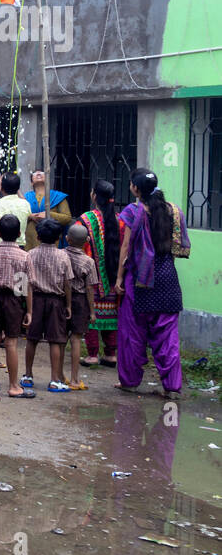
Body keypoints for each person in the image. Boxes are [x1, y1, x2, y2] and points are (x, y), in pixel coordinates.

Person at [114, 168, 189, 400]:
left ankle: (130, 383)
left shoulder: (133, 211)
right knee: (168, 338)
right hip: (167, 279)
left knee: (132, 335)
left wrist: (118, 278)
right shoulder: (173, 210)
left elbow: (126, 248)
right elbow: (175, 248)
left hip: (139, 280)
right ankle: (172, 387)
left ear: (136, 189)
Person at [24, 217, 74, 393]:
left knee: (32, 338)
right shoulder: (63, 256)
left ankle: (28, 375)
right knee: (55, 340)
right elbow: (67, 284)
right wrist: (68, 305)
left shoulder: (29, 254)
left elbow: (24, 282)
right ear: (58, 237)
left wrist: (24, 305)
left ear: (37, 237)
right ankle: (54, 380)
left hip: (35, 300)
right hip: (56, 301)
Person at [78, 179, 121, 368]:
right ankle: (111, 354)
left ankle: (93, 355)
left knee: (92, 314)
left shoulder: (86, 219)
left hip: (92, 278)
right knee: (111, 316)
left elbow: (81, 246)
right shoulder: (119, 220)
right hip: (114, 278)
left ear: (94, 195)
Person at [0, 215, 34, 398]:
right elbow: (25, 286)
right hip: (15, 299)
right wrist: (29, 310)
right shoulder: (24, 256)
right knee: (11, 342)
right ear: (19, 233)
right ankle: (14, 385)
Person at [63, 223, 100, 390]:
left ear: (67, 239)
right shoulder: (88, 261)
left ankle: (57, 376)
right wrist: (92, 311)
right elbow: (90, 288)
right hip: (80, 301)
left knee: (60, 338)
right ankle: (75, 379)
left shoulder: (60, 255)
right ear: (87, 241)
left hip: (61, 298)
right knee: (76, 338)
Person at [24, 170, 73, 250]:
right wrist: (30, 216)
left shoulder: (58, 197)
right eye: (35, 173)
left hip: (52, 242)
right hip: (30, 243)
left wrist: (49, 215)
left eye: (42, 172)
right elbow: (18, 218)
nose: (38, 173)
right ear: (31, 183)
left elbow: (67, 218)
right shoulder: (25, 198)